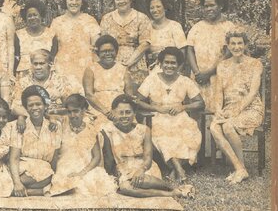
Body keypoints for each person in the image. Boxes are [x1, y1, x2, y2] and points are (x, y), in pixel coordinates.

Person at [134, 47, 204, 183]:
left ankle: (174, 170)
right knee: (163, 135)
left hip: (180, 117)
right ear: (160, 63)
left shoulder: (185, 81)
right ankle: (179, 170)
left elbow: (200, 103)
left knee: (192, 134)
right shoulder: (151, 79)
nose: (169, 66)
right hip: (156, 117)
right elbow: (138, 101)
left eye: (173, 63)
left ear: (179, 65)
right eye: (166, 62)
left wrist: (183, 106)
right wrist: (156, 108)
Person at [101, 95, 191, 200]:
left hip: (145, 166)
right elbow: (108, 158)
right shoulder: (107, 130)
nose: (124, 116)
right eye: (121, 112)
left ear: (134, 113)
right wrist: (113, 174)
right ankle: (171, 193)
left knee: (143, 180)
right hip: (123, 168)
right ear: (113, 112)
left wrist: (141, 170)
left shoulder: (144, 130)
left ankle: (171, 187)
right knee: (125, 187)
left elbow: (148, 157)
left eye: (128, 112)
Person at [210, 32, 265, 184]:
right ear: (228, 45)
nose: (236, 47)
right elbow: (218, 93)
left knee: (227, 126)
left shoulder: (255, 64)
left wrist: (237, 109)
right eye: (233, 43)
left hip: (251, 108)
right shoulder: (222, 65)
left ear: (245, 45)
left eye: (240, 43)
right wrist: (218, 109)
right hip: (229, 109)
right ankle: (240, 168)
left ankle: (239, 169)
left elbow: (253, 92)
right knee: (214, 127)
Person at [49, 94, 117, 197]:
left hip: (85, 167)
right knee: (66, 182)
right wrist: (52, 119)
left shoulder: (90, 129)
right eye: (69, 112)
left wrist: (82, 173)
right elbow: (47, 114)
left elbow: (96, 157)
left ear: (84, 110)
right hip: (65, 165)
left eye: (76, 111)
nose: (72, 115)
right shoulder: (62, 123)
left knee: (94, 182)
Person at [185, 0, 237, 111]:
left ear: (220, 6)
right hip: (198, 79)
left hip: (218, 77)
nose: (209, 9)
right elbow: (189, 50)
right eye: (206, 6)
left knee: (217, 111)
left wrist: (208, 73)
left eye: (212, 5)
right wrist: (197, 73)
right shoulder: (197, 27)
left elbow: (228, 54)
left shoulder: (229, 27)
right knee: (198, 112)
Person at [8, 86, 63, 196]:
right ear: (26, 108)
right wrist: (17, 182)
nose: (35, 108)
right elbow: (14, 158)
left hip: (44, 171)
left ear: (45, 106)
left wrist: (54, 178)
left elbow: (55, 157)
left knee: (48, 173)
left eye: (38, 104)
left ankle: (15, 190)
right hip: (21, 168)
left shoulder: (55, 126)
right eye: (30, 105)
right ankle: (24, 189)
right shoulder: (19, 126)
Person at [99, 0, 152, 86]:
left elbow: (145, 43)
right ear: (114, 1)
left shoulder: (141, 18)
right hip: (112, 63)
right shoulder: (107, 18)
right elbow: (102, 43)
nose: (121, 1)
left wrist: (128, 63)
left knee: (134, 98)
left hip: (136, 64)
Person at [51, 0, 101, 85]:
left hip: (85, 68)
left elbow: (96, 49)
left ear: (82, 1)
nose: (74, 2)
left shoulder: (90, 21)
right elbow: (52, 49)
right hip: (63, 69)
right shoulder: (56, 22)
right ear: (65, 0)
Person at [12, 49, 81, 121]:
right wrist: (33, 115)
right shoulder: (23, 82)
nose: (38, 67)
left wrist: (62, 95)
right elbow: (14, 108)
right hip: (33, 123)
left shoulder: (62, 80)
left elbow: (77, 107)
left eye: (42, 63)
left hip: (59, 122)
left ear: (50, 64)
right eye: (35, 64)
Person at [83, 35, 135, 126]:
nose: (108, 54)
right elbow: (89, 95)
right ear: (98, 53)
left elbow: (129, 96)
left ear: (116, 51)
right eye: (104, 51)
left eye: (111, 51)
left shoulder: (123, 69)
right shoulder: (90, 69)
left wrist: (119, 112)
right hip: (98, 110)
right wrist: (106, 112)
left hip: (120, 111)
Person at [146, 0, 189, 70]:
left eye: (158, 6)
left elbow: (182, 53)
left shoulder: (175, 26)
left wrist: (177, 73)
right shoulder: (146, 27)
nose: (155, 10)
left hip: (171, 70)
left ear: (165, 8)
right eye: (152, 8)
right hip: (151, 70)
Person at [15, 0, 57, 75]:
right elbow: (16, 58)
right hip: (24, 76)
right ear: (25, 18)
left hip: (46, 77)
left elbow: (54, 58)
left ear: (41, 16)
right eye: (29, 16)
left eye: (35, 15)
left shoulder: (51, 34)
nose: (32, 18)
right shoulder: (19, 35)